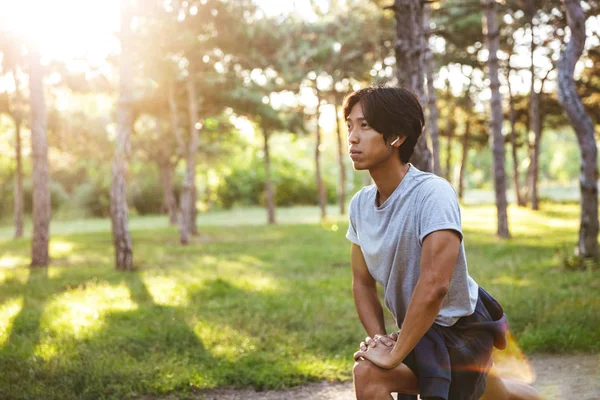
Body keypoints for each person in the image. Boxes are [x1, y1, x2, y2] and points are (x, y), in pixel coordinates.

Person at [344, 86, 542, 400]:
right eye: (350, 126)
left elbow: (436, 283)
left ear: (396, 136)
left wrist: (394, 355)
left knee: (369, 374)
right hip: (419, 327)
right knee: (497, 394)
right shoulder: (360, 205)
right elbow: (362, 281)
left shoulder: (432, 194)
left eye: (364, 126)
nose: (352, 137)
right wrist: (380, 341)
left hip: (462, 326)